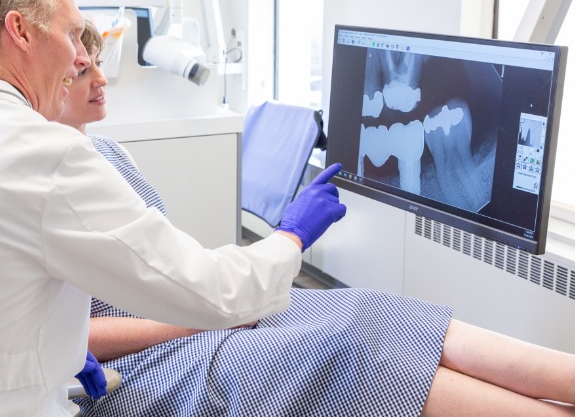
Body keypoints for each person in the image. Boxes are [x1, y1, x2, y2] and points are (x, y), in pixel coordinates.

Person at [0, 0, 347, 415]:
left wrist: (56, 343)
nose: (81, 56)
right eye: (74, 35)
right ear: (20, 31)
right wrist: (292, 236)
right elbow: (212, 291)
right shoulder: (40, 152)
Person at [57, 23, 575, 417]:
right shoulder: (42, 187)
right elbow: (61, 336)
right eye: (83, 70)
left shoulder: (107, 152)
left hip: (198, 311)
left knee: (373, 309)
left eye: (98, 61)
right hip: (145, 366)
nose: (102, 78)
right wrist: (204, 314)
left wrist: (231, 284)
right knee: (351, 348)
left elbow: (167, 264)